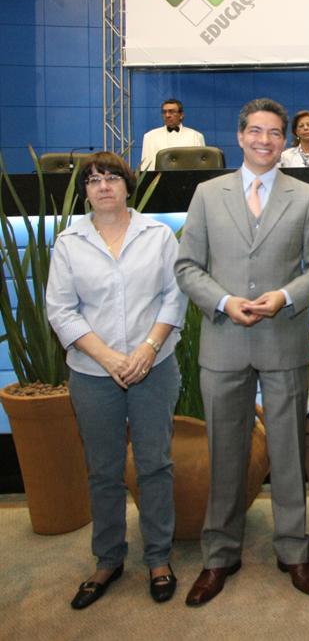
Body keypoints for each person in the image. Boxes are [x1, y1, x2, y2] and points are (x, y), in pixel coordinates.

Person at [175, 97, 309, 606]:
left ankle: (294, 550)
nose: (265, 140)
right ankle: (219, 555)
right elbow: (187, 266)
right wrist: (223, 301)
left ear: (286, 140)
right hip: (224, 342)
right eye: (256, 131)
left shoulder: (306, 197)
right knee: (224, 453)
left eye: (275, 133)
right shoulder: (206, 194)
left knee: (289, 453)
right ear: (239, 136)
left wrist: (285, 296)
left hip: (283, 339)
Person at [46, 152, 187, 609]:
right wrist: (109, 358)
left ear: (128, 186)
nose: (103, 186)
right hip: (92, 373)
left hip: (154, 367)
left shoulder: (158, 235)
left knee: (155, 465)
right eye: (93, 180)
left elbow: (174, 296)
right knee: (103, 470)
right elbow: (61, 310)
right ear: (85, 192)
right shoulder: (69, 242)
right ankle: (108, 559)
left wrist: (147, 349)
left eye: (111, 178)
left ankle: (159, 558)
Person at [140, 98, 206, 170]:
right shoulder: (150, 137)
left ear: (181, 115)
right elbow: (145, 167)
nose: (167, 115)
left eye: (171, 111)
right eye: (164, 112)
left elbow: (201, 167)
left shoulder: (196, 136)